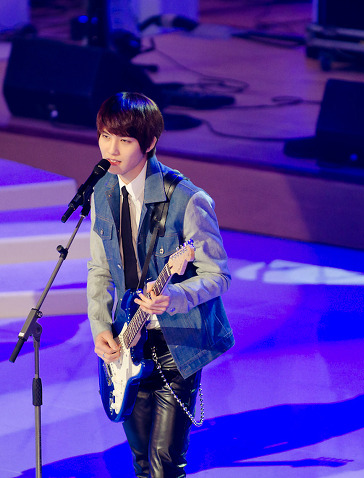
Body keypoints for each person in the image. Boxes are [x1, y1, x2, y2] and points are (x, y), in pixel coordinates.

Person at [86, 91, 234, 477]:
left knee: (164, 466)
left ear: (149, 143)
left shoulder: (187, 199)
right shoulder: (103, 191)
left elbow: (218, 275)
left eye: (124, 140)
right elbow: (100, 269)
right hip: (128, 338)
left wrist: (175, 296)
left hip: (177, 344)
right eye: (105, 136)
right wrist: (100, 326)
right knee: (140, 463)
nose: (111, 149)